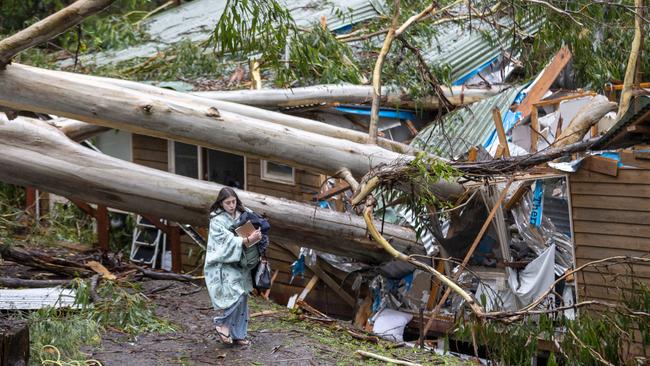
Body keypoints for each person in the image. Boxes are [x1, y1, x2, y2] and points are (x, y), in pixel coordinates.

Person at [204, 187, 262, 346]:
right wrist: (247, 240)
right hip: (222, 263)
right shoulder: (216, 220)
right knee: (236, 294)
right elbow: (225, 242)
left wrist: (258, 236)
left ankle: (238, 335)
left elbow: (257, 226)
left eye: (233, 202)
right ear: (221, 203)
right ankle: (221, 323)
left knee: (243, 296)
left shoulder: (243, 213)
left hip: (241, 263)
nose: (231, 205)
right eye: (228, 202)